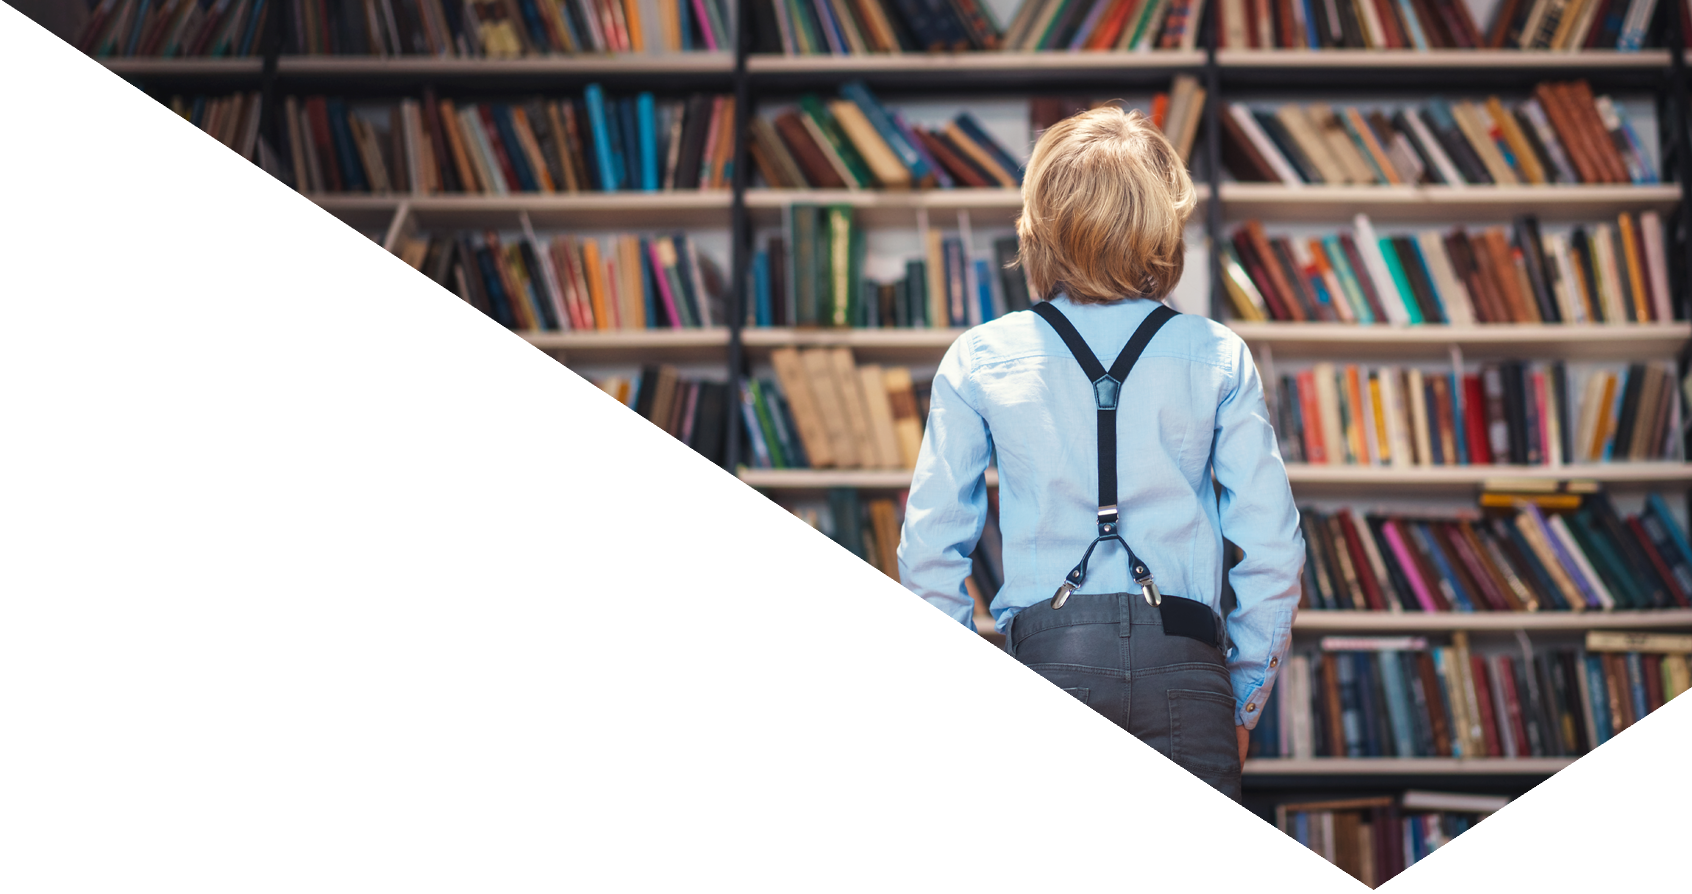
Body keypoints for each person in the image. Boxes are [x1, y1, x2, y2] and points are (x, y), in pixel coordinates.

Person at [897, 106, 1304, 773]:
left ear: (1039, 224)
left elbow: (929, 560)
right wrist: (1242, 701)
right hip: (1189, 676)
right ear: (1162, 222)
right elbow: (1275, 556)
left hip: (1047, 673)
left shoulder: (981, 357)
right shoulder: (1217, 355)